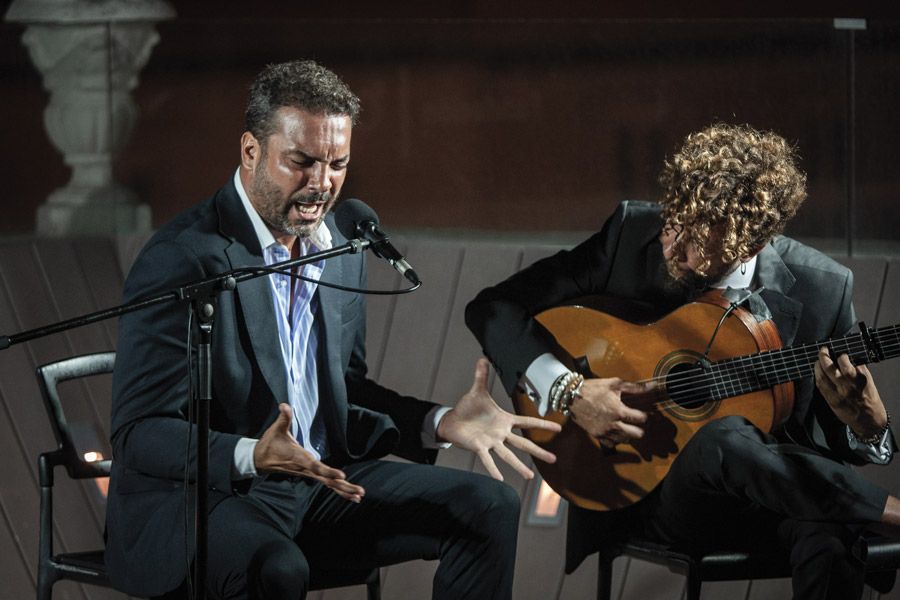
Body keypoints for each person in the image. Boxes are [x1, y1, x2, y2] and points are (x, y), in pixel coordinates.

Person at [104, 59, 561, 600]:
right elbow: (139, 433)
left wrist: (439, 422)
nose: (322, 184)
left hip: (319, 484)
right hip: (210, 498)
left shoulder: (341, 249)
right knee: (276, 567)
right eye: (301, 162)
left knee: (487, 506)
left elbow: (346, 391)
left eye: (338, 164)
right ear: (251, 151)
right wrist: (252, 453)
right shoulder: (183, 258)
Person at [465, 123, 900, 600]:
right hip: (651, 493)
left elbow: (833, 439)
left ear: (750, 244)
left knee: (832, 534)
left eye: (694, 239)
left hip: (780, 503)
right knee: (725, 437)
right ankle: (888, 512)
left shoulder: (823, 286)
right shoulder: (633, 235)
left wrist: (869, 427)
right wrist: (569, 390)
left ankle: (863, 513)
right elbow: (493, 308)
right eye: (673, 222)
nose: (670, 246)